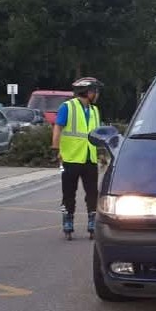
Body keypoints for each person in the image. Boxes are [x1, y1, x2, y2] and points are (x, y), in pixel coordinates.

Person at [51, 76, 103, 238]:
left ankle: (92, 221)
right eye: (95, 91)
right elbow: (58, 128)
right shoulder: (68, 107)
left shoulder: (95, 110)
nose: (97, 94)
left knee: (92, 193)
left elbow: (98, 134)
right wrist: (56, 148)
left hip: (89, 158)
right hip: (71, 158)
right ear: (88, 92)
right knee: (68, 193)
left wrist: (101, 153)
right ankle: (68, 220)